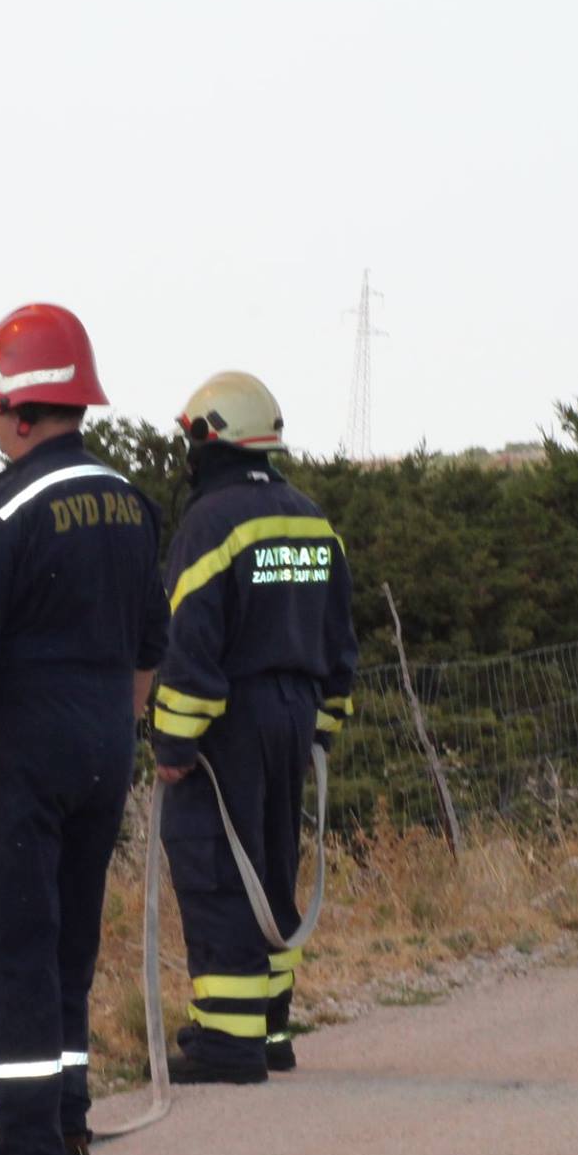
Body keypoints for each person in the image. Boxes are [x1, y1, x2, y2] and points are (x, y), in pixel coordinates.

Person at [0, 303, 168, 1155]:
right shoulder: (133, 504)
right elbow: (150, 648)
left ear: (19, 413)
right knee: (66, 949)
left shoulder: (3, 513)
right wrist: (110, 725)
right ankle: (66, 1138)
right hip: (105, 748)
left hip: (20, 757)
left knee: (11, 954)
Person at [148, 371, 357, 1083]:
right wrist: (319, 731)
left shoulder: (210, 524)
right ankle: (268, 1028)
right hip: (293, 721)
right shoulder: (310, 517)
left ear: (211, 439)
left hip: (227, 726)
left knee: (213, 867)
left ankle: (228, 1042)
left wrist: (173, 741)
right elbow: (340, 642)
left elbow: (190, 643)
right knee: (269, 864)